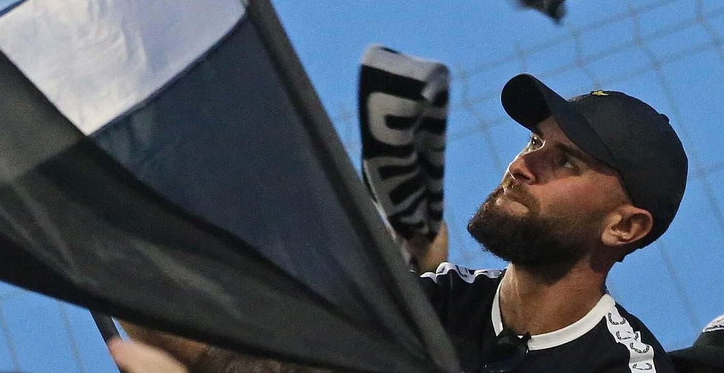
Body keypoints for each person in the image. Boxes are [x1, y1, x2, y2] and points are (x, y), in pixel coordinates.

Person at [119, 75, 688, 372]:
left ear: (625, 227)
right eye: (535, 141)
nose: (521, 165)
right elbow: (230, 359)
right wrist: (111, 228)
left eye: (565, 161)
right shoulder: (435, 302)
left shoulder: (622, 367)